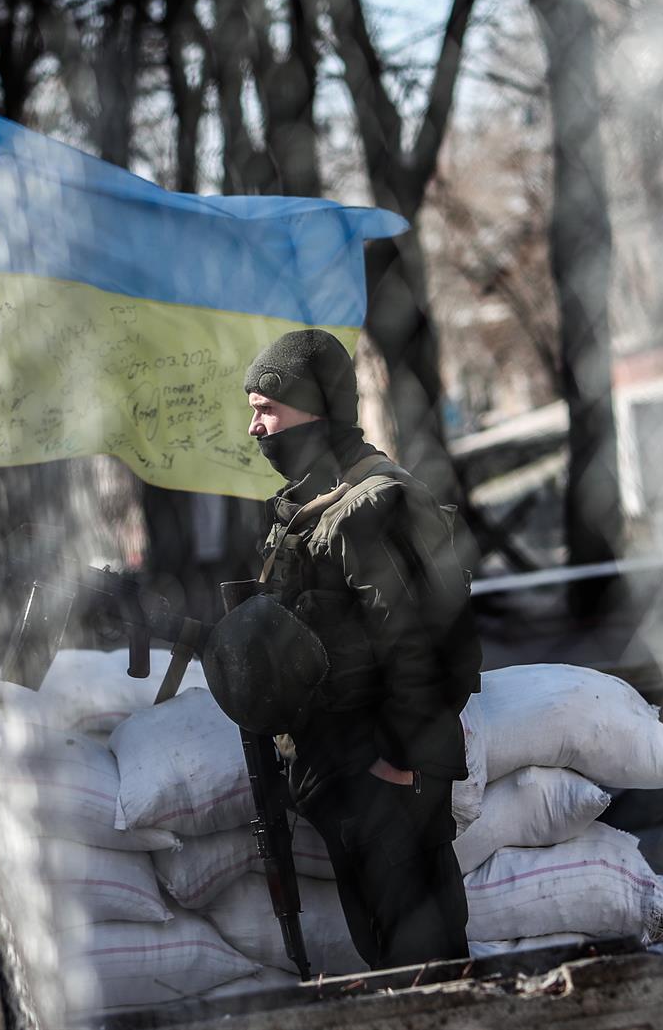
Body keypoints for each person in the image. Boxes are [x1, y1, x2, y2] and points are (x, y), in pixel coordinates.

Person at [219, 328, 479, 971]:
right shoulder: (308, 510)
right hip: (343, 775)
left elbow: (423, 639)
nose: (255, 428)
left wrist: (398, 761)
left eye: (266, 409)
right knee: (388, 959)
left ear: (317, 408)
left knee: (426, 960)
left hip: (386, 779)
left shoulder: (371, 506)